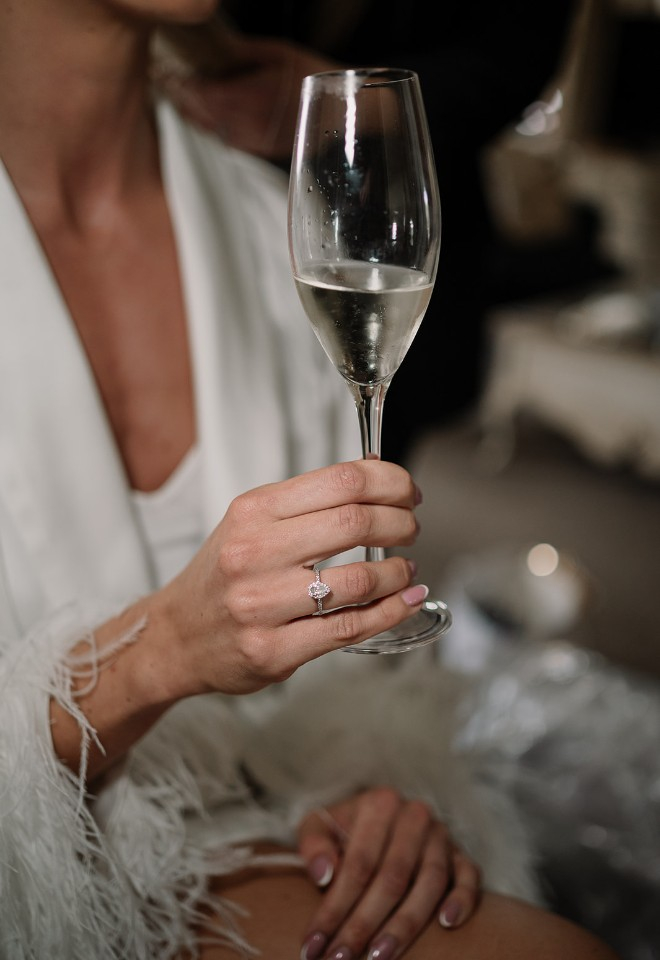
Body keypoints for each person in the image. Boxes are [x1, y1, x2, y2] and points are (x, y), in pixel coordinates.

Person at [0, 1, 621, 959]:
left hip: (265, 831)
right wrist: (158, 653)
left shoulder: (274, 228)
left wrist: (370, 793)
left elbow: (351, 671)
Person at [154, 0, 578, 464]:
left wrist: (356, 103)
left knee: (381, 443)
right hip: (264, 208)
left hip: (408, 224)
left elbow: (515, 56)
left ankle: (368, 536)